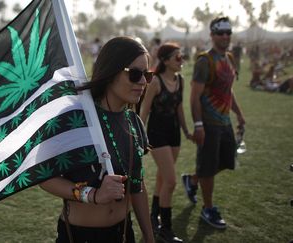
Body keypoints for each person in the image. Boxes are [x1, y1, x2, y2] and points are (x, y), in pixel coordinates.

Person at [40, 37, 155, 243]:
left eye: (147, 74)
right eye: (135, 74)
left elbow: (137, 185)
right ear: (111, 73)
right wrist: (91, 195)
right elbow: (45, 177)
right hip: (79, 235)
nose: (143, 82)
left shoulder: (134, 122)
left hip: (123, 233)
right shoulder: (74, 118)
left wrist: (148, 235)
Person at [181, 17, 245, 229]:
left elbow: (228, 90)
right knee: (208, 166)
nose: (225, 36)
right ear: (212, 35)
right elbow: (194, 96)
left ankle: (193, 180)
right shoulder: (204, 61)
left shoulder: (228, 58)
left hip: (224, 121)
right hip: (208, 124)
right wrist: (198, 125)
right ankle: (208, 209)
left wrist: (239, 114)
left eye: (228, 32)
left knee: (228, 161)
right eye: (220, 33)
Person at [139, 43, 191, 243]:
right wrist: (140, 135)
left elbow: (179, 108)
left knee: (162, 177)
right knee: (171, 181)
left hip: (174, 134)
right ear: (167, 60)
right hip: (157, 134)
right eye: (178, 57)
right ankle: (165, 229)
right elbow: (144, 110)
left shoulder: (181, 80)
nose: (182, 60)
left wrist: (186, 131)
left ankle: (154, 216)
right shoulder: (156, 81)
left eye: (182, 56)